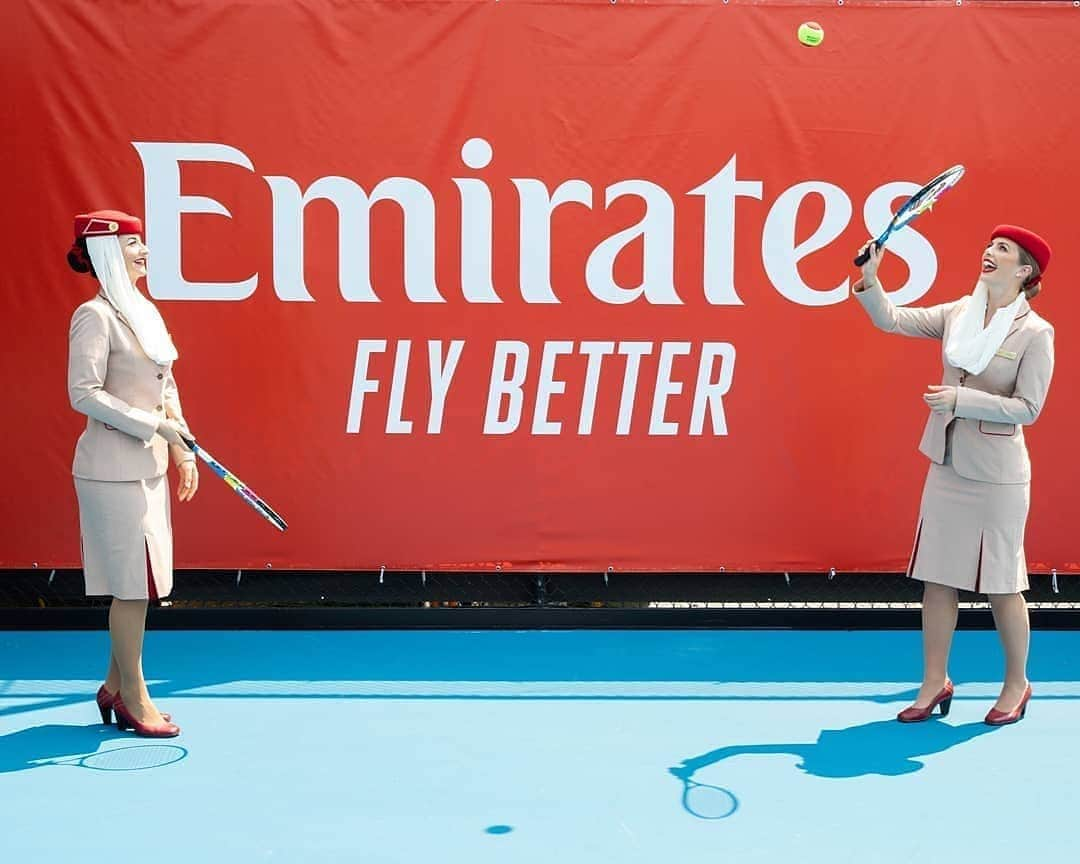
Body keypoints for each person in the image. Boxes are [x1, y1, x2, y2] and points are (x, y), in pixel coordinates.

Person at [853, 225, 1054, 726]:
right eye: (989, 245)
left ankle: (1016, 684)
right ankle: (934, 681)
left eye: (1002, 250)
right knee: (937, 581)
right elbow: (893, 320)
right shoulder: (957, 314)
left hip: (997, 477)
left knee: (1003, 585)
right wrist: (870, 281)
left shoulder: (1036, 333)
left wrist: (961, 399)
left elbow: (1028, 408)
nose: (989, 253)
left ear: (1024, 271)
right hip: (946, 465)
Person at [67, 209, 198, 738]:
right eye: (131, 243)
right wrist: (155, 428)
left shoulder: (144, 310)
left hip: (150, 467)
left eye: (142, 242)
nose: (144, 251)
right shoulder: (93, 316)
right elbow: (84, 394)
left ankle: (113, 686)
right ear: (105, 253)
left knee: (141, 585)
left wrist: (183, 446)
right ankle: (135, 698)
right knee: (134, 588)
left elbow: (166, 387)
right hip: (109, 472)